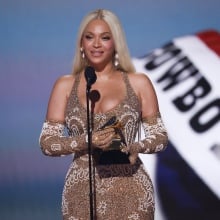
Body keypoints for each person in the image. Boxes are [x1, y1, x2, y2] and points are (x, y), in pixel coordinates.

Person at [39, 9, 168, 220]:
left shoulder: (138, 83)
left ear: (115, 43)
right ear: (81, 43)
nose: (96, 44)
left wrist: (136, 146)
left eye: (105, 37)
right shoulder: (64, 85)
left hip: (131, 190)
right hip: (81, 193)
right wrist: (87, 140)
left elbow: (160, 137)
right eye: (89, 37)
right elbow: (47, 143)